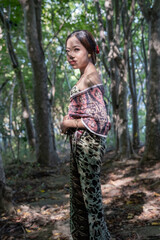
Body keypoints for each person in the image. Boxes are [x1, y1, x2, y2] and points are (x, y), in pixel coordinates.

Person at [60, 30, 111, 240]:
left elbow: (100, 120)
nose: (70, 55)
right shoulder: (84, 76)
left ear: (89, 51)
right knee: (80, 196)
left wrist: (68, 123)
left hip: (88, 145)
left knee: (91, 198)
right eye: (67, 51)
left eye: (76, 50)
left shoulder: (92, 77)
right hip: (80, 144)